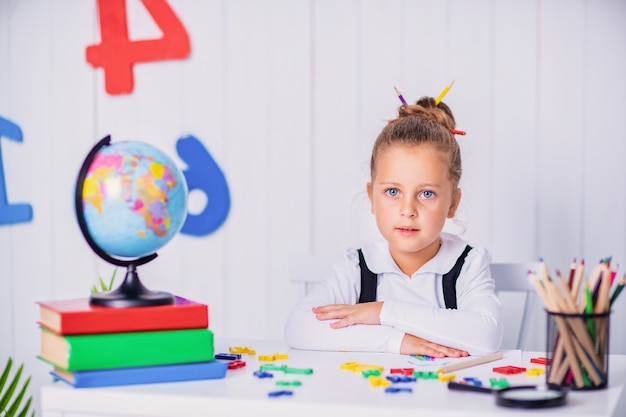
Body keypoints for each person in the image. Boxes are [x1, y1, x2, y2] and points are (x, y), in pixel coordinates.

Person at [284, 96, 502, 357]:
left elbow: (487, 335)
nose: (408, 210)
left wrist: (381, 311)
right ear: (372, 197)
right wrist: (397, 341)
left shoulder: (467, 264)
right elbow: (299, 327)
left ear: (453, 203)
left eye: (427, 194)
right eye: (392, 191)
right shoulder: (359, 266)